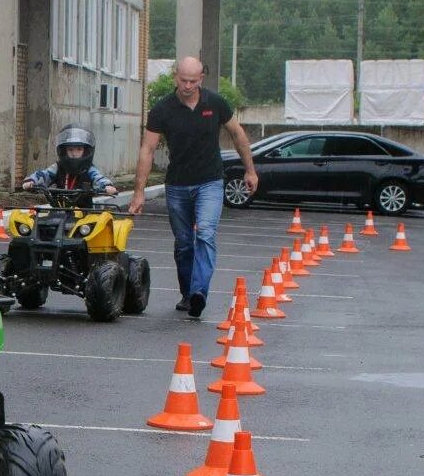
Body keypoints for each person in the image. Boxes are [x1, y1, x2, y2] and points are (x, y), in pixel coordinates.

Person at [128, 57, 257, 319]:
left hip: (210, 181)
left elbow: (238, 135)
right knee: (185, 244)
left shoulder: (215, 103)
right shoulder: (162, 110)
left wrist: (250, 169)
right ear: (176, 76)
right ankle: (188, 293)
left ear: (201, 78)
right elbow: (147, 149)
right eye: (183, 80)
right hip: (177, 185)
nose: (187, 85)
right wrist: (139, 192)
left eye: (193, 80)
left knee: (206, 234)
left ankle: (199, 292)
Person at [21, 124, 119, 196]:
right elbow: (44, 174)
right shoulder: (58, 167)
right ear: (64, 150)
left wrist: (107, 186)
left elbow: (99, 178)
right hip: (59, 209)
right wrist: (32, 181)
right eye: (70, 149)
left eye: (79, 149)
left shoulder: (89, 169)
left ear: (86, 151)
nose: (74, 153)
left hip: (84, 213)